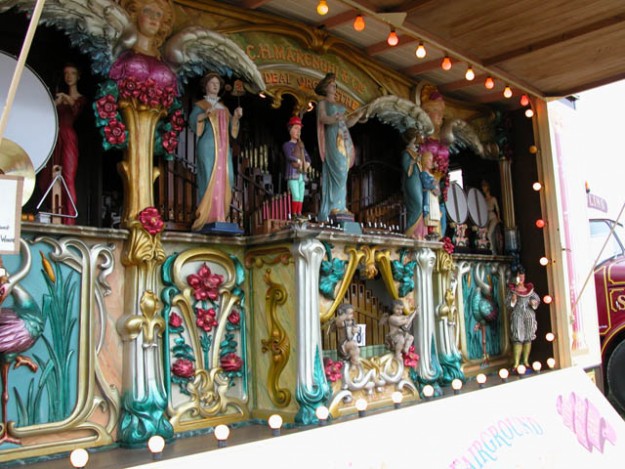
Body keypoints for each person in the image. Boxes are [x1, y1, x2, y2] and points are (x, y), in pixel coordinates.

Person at [189, 73, 242, 230]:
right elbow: (193, 122)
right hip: (208, 148)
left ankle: (221, 215)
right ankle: (206, 217)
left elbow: (233, 130)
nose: (215, 85)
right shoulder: (201, 105)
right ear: (205, 85)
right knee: (209, 178)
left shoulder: (224, 108)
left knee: (227, 178)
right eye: (212, 82)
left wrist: (236, 117)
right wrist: (205, 115)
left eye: (217, 83)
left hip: (224, 149)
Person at [39, 63, 86, 225]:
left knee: (67, 177)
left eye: (72, 73)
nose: (69, 76)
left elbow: (76, 109)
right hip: (55, 137)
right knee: (46, 178)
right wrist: (57, 102)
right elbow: (47, 113)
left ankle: (69, 217)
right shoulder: (61, 97)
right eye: (66, 73)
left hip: (68, 137)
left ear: (78, 76)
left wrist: (66, 98)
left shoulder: (79, 98)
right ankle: (55, 214)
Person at [315, 73, 365, 222]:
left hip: (342, 138)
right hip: (331, 138)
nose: (334, 88)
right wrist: (335, 118)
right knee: (338, 169)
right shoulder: (322, 103)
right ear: (325, 88)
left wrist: (357, 116)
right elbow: (323, 118)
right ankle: (332, 207)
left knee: (344, 172)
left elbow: (347, 123)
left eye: (335, 85)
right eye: (331, 85)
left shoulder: (340, 106)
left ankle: (341, 206)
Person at [507, 270, 540, 370]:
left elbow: (537, 300)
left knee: (528, 337)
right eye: (519, 276)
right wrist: (513, 300)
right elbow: (507, 304)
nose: (521, 278)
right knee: (517, 337)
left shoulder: (530, 290)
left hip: (529, 315)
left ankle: (526, 361)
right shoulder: (512, 291)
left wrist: (533, 302)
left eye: (523, 276)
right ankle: (516, 363)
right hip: (518, 315)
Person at [401, 128, 428, 239]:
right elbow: (406, 167)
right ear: (412, 139)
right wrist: (414, 160)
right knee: (417, 205)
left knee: (422, 206)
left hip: (418, 180)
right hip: (412, 181)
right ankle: (408, 232)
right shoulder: (406, 153)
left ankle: (417, 232)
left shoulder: (417, 153)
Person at [282, 116, 310, 218]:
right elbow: (289, 156)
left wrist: (308, 163)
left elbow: (307, 157)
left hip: (302, 174)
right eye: (296, 128)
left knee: (301, 195)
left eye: (299, 129)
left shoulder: (301, 146)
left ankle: (299, 213)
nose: (298, 131)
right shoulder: (287, 145)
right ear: (290, 130)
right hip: (293, 174)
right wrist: (297, 160)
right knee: (296, 195)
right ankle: (294, 213)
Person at [419, 142, 442, 238]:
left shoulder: (432, 175)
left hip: (433, 198)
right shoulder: (423, 174)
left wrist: (436, 187)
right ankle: (428, 231)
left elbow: (437, 189)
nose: (431, 163)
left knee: (434, 214)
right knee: (428, 214)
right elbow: (426, 185)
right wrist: (434, 185)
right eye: (429, 160)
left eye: (431, 160)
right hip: (428, 197)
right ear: (425, 161)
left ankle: (432, 231)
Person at [481, 179, 503, 254]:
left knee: (489, 233)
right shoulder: (484, 200)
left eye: (484, 186)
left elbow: (497, 209)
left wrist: (499, 218)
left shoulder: (493, 199)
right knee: (484, 233)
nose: (483, 188)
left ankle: (493, 250)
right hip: (486, 218)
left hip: (493, 217)